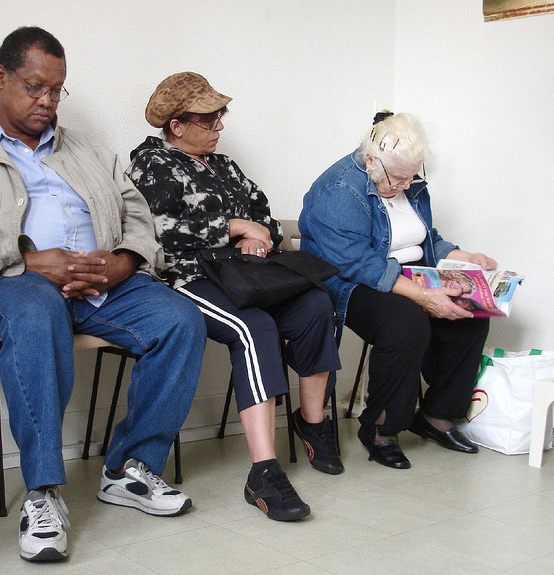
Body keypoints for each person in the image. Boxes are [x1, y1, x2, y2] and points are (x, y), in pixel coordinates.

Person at [0, 28, 206, 562]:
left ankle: (129, 469)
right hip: (10, 285)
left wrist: (123, 262)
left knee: (180, 320)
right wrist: (29, 260)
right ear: (1, 78)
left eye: (56, 90)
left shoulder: (88, 150)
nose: (47, 101)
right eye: (34, 87)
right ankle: (43, 492)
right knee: (36, 308)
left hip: (98, 286)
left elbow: (137, 215)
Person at [127, 72, 342, 522]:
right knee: (253, 328)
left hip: (246, 275)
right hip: (189, 279)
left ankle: (312, 423)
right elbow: (157, 232)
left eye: (220, 116)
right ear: (176, 125)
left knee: (316, 305)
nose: (219, 127)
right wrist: (233, 228)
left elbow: (267, 219)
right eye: (208, 120)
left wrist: (256, 236)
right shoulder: (152, 164)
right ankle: (264, 471)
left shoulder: (224, 166)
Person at [299, 111, 496, 469]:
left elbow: (425, 238)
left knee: (471, 313)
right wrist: (423, 297)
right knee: (405, 323)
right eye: (398, 178)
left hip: (410, 273)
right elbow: (357, 263)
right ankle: (381, 429)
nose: (406, 185)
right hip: (350, 281)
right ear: (371, 161)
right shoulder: (340, 189)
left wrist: (465, 257)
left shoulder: (407, 179)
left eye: (412, 176)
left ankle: (436, 415)